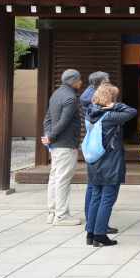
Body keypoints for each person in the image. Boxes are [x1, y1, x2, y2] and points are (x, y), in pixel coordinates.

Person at [84, 84, 137, 247]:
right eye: (115, 98)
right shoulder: (110, 116)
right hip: (110, 162)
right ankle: (100, 234)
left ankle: (90, 233)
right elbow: (132, 112)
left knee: (95, 197)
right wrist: (116, 106)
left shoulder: (89, 113)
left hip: (94, 161)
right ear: (111, 99)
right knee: (107, 198)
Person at [43, 69, 83, 226]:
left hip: (55, 144)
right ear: (73, 80)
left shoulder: (56, 94)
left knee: (54, 177)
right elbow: (64, 122)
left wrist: (48, 137)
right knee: (63, 179)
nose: (81, 82)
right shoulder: (71, 98)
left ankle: (52, 212)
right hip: (65, 144)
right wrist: (51, 137)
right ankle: (62, 215)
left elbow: (47, 119)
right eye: (79, 80)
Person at [80, 71, 115, 234]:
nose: (108, 84)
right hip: (98, 148)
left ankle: (92, 224)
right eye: (107, 82)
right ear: (100, 83)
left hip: (93, 147)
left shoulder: (89, 94)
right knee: (96, 190)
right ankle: (94, 224)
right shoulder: (91, 98)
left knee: (94, 188)